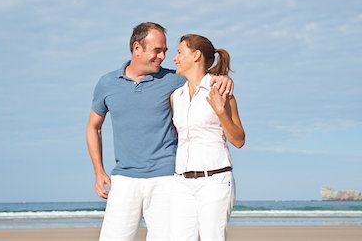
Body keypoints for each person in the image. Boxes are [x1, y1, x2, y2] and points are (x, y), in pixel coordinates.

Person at [86, 22, 233, 241]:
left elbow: (200, 75)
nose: (163, 56)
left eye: (165, 50)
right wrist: (99, 171)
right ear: (137, 48)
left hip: (167, 179)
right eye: (157, 50)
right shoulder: (107, 84)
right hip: (124, 179)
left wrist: (222, 77)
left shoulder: (174, 79)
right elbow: (93, 127)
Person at [169, 34, 245, 241]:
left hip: (215, 181)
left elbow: (238, 140)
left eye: (179, 52)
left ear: (196, 55)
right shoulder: (177, 97)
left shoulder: (220, 90)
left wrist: (221, 112)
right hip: (182, 183)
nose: (175, 58)